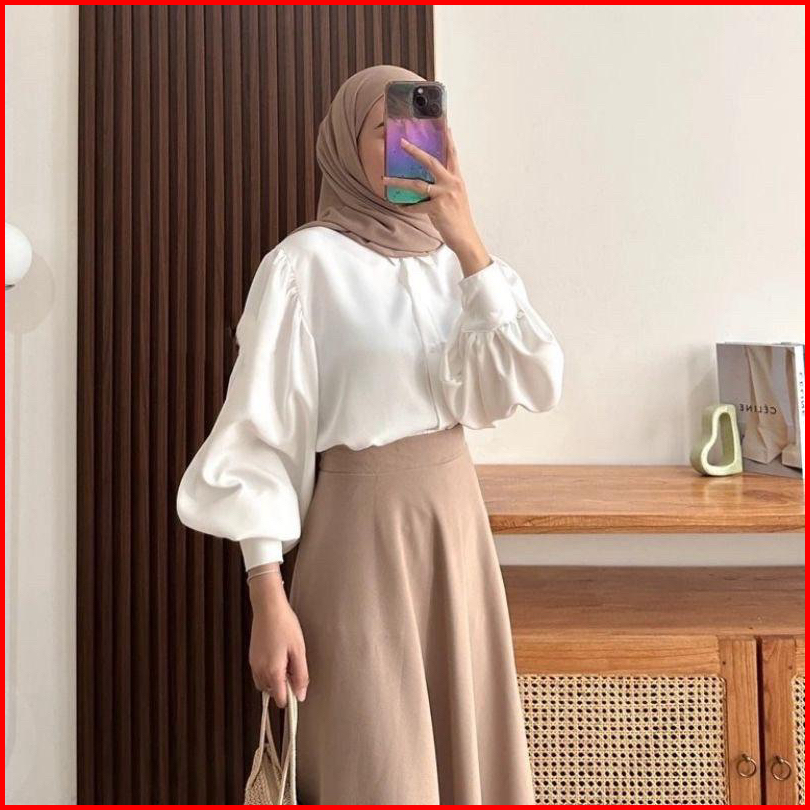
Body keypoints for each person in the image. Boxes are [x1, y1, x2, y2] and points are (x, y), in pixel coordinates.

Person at [176, 63, 563, 805]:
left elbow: (534, 379)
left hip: (458, 533)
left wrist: (470, 245)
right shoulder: (302, 267)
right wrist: (267, 597)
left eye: (420, 128)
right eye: (384, 129)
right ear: (344, 147)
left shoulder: (462, 265)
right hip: (357, 542)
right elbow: (260, 436)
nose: (405, 146)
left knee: (466, 760)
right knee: (379, 765)